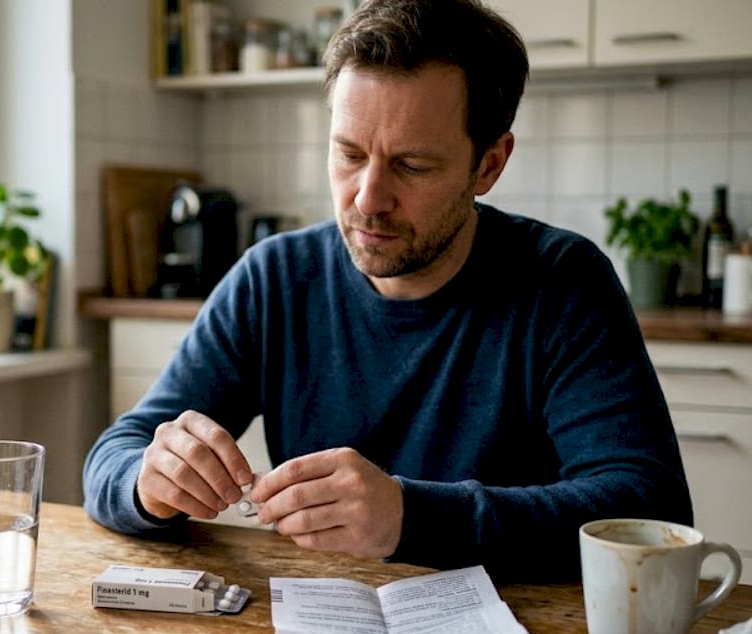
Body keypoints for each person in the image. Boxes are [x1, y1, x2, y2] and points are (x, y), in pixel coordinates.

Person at [82, 0, 691, 582]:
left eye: (413, 166)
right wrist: (149, 481)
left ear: (489, 165)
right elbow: (114, 455)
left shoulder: (562, 282)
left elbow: (648, 512)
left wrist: (411, 516)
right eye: (349, 154)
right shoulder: (274, 278)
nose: (367, 199)